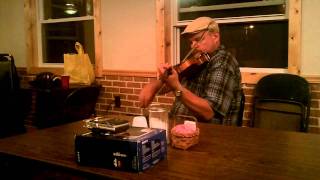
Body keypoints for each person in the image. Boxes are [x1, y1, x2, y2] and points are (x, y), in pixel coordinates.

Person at [139, 17, 242, 125]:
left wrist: (177, 87)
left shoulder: (223, 62)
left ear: (215, 36)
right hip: (180, 127)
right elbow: (168, 82)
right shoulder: (196, 60)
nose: (193, 45)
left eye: (197, 39)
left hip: (209, 133)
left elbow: (209, 112)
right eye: (191, 42)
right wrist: (155, 85)